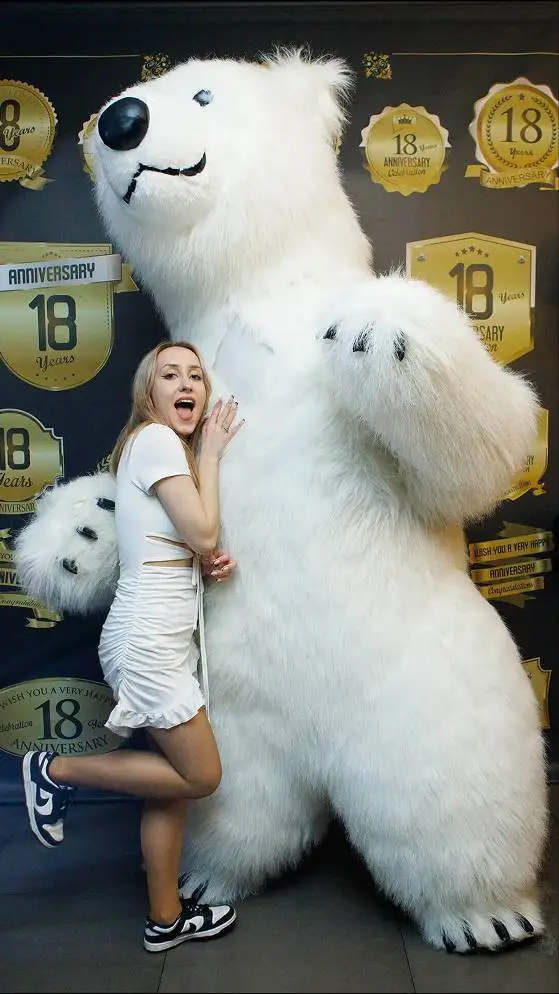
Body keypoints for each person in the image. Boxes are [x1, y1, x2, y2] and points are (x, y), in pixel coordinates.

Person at [22, 341, 244, 953]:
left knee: (169, 784)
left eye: (196, 374)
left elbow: (172, 545)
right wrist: (213, 455)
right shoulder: (157, 441)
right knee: (201, 776)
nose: (187, 383)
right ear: (148, 392)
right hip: (146, 642)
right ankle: (54, 769)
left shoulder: (157, 450)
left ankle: (164, 919)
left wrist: (204, 565)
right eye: (170, 374)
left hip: (157, 637)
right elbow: (201, 528)